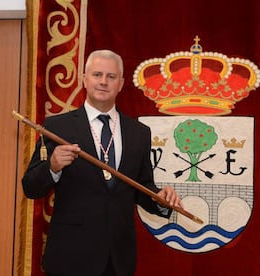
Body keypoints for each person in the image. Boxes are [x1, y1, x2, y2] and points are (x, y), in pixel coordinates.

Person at [22, 49, 183, 276]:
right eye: (97, 75)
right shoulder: (57, 127)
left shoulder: (139, 133)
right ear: (85, 80)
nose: (103, 82)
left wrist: (161, 199)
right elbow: (30, 186)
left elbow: (141, 187)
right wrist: (52, 167)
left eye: (111, 76)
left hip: (117, 259)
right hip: (70, 257)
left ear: (121, 83)